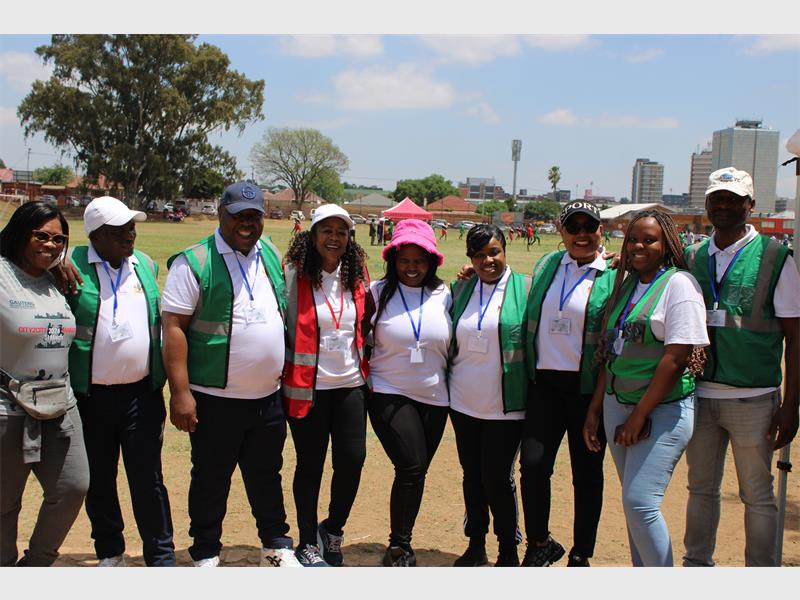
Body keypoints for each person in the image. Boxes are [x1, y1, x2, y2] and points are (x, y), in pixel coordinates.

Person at [161, 182, 300, 568]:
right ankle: (206, 550)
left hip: (265, 397)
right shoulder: (195, 262)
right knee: (210, 478)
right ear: (221, 213)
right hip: (213, 398)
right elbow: (173, 327)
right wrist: (180, 393)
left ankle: (275, 545)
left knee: (267, 474)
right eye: (239, 215)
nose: (247, 223)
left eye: (254, 215)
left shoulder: (269, 253)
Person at [682, 167, 800, 567]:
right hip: (699, 396)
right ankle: (697, 567)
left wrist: (791, 405)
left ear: (751, 205)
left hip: (754, 398)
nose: (725, 206)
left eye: (734, 199)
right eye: (718, 198)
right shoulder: (695, 256)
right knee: (700, 489)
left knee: (757, 493)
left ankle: (760, 576)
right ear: (707, 205)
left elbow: (795, 338)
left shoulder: (774, 257)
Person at [583, 210, 709, 567]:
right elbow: (613, 352)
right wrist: (596, 408)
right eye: (633, 239)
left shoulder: (679, 284)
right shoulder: (627, 285)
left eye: (649, 239)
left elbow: (676, 357)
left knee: (640, 501)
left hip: (661, 410)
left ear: (666, 243)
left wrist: (639, 417)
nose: (639, 246)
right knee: (632, 505)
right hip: (616, 404)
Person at [67, 196, 175, 567]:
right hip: (89, 397)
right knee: (99, 479)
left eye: (132, 226)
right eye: (119, 229)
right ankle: (110, 551)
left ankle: (160, 556)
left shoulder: (143, 263)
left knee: (148, 479)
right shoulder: (70, 265)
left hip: (140, 395)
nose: (130, 233)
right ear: (95, 235)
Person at [520, 201, 615, 567]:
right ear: (561, 232)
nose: (581, 235)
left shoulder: (612, 273)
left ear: (600, 231)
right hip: (543, 385)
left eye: (588, 227)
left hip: (586, 391)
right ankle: (540, 542)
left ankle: (581, 552)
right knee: (533, 466)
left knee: (587, 474)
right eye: (572, 227)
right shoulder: (547, 265)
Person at [0, 202, 90, 566]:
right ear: (21, 233)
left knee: (73, 487)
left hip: (59, 403)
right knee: (4, 502)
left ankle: (37, 565)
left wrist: (59, 264)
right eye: (41, 236)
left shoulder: (57, 279)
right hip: (7, 405)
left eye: (59, 239)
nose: (51, 245)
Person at [282, 203, 370, 567]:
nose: (334, 238)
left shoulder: (358, 273)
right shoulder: (293, 273)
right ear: (312, 235)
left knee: (352, 460)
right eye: (327, 231)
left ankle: (332, 531)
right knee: (311, 464)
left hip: (350, 385)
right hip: (308, 388)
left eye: (342, 232)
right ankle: (306, 542)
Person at [364, 219, 451, 567]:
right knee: (411, 467)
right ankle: (398, 546)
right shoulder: (375, 292)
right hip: (389, 390)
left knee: (416, 473)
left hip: (435, 396)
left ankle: (404, 541)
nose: (411, 268)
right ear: (393, 260)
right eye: (404, 260)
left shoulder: (445, 294)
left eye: (420, 260)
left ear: (431, 261)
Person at [448, 224, 530, 567]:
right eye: (479, 255)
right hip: (463, 403)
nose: (487, 260)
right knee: (472, 475)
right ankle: (476, 544)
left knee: (497, 477)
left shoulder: (524, 288)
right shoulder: (462, 287)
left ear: (505, 250)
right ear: (470, 258)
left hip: (505, 406)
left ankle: (507, 550)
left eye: (494, 252)